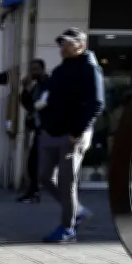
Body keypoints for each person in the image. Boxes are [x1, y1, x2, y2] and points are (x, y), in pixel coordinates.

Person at [37, 28, 104, 243]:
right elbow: (49, 96)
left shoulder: (90, 69)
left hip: (73, 134)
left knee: (67, 183)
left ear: (80, 45)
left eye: (67, 44)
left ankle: (68, 228)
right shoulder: (59, 70)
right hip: (51, 131)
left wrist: (78, 132)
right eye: (61, 44)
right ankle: (78, 210)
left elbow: (96, 104)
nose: (63, 48)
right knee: (44, 177)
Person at [17, 59, 49, 203]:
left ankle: (34, 191)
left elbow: (38, 105)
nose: (33, 73)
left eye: (35, 69)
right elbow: (28, 105)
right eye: (31, 70)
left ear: (42, 69)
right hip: (40, 128)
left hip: (47, 128)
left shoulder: (48, 85)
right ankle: (33, 191)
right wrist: (26, 89)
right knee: (33, 162)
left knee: (34, 161)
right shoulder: (37, 86)